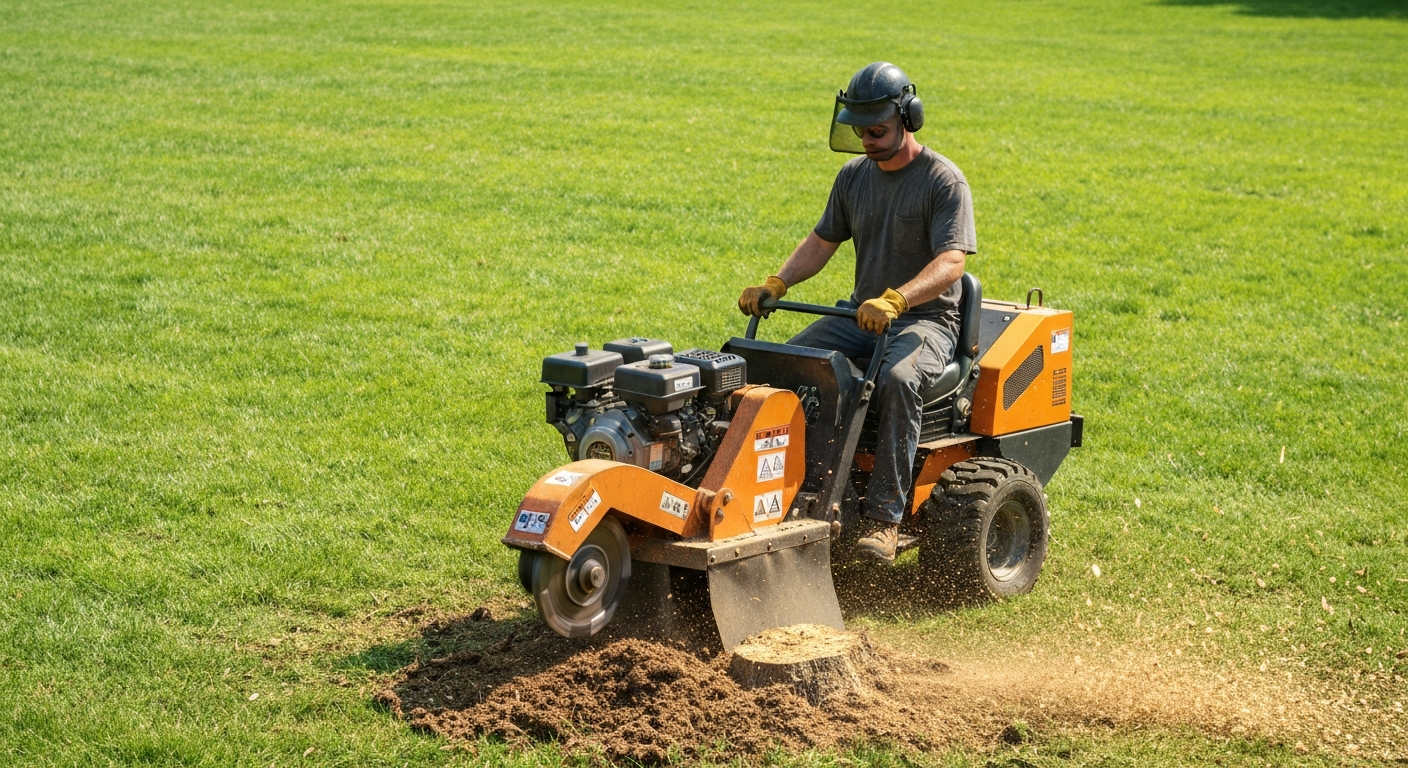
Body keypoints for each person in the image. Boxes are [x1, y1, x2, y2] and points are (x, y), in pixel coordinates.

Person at [737, 62, 976, 563]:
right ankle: (788, 491)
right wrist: (777, 283)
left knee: (898, 380)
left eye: (876, 129)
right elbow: (823, 240)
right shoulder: (852, 177)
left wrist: (898, 299)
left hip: (927, 321)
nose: (866, 139)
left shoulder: (942, 181)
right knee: (783, 364)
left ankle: (885, 520)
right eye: (857, 129)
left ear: (908, 118)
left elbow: (952, 262)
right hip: (860, 319)